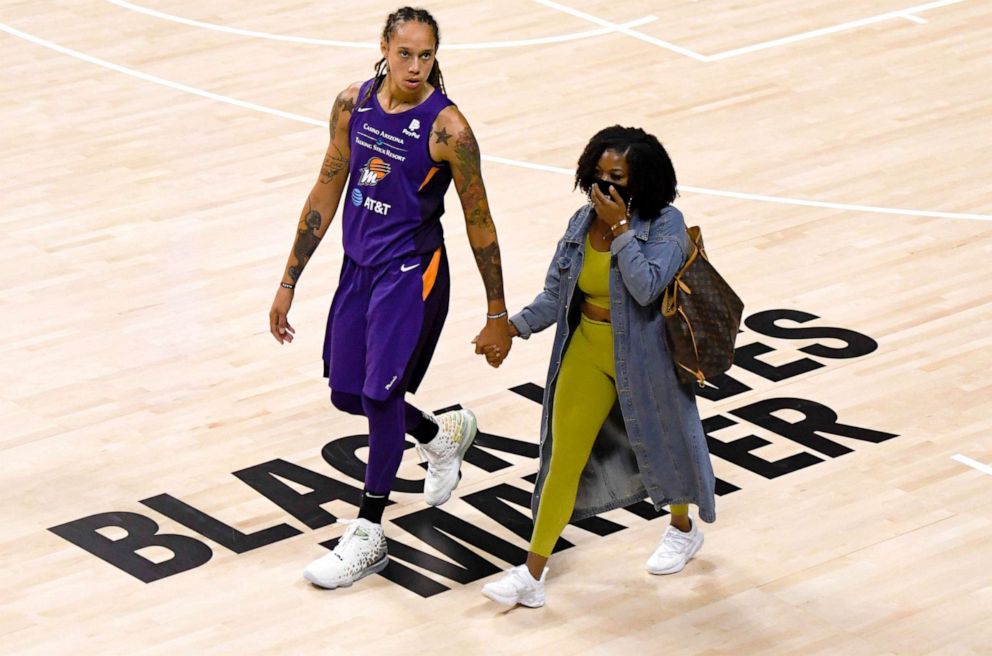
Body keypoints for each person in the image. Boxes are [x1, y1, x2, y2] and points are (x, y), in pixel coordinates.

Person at [268, 6, 513, 590]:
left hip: (412, 274)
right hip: (359, 269)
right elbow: (328, 184)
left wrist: (497, 310)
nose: (415, 66)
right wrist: (288, 280)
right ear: (383, 46)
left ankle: (369, 533)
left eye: (426, 56)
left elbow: (480, 220)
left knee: (381, 397)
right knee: (349, 396)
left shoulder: (449, 130)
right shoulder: (352, 104)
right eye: (405, 53)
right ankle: (439, 434)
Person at [479, 126, 717, 608]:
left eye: (618, 178)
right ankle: (532, 574)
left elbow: (647, 287)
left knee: (663, 446)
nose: (605, 188)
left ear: (643, 182)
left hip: (648, 358)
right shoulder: (579, 223)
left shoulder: (666, 225)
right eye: (599, 176)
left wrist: (623, 232)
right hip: (587, 348)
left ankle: (683, 527)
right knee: (561, 459)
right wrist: (513, 328)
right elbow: (556, 294)